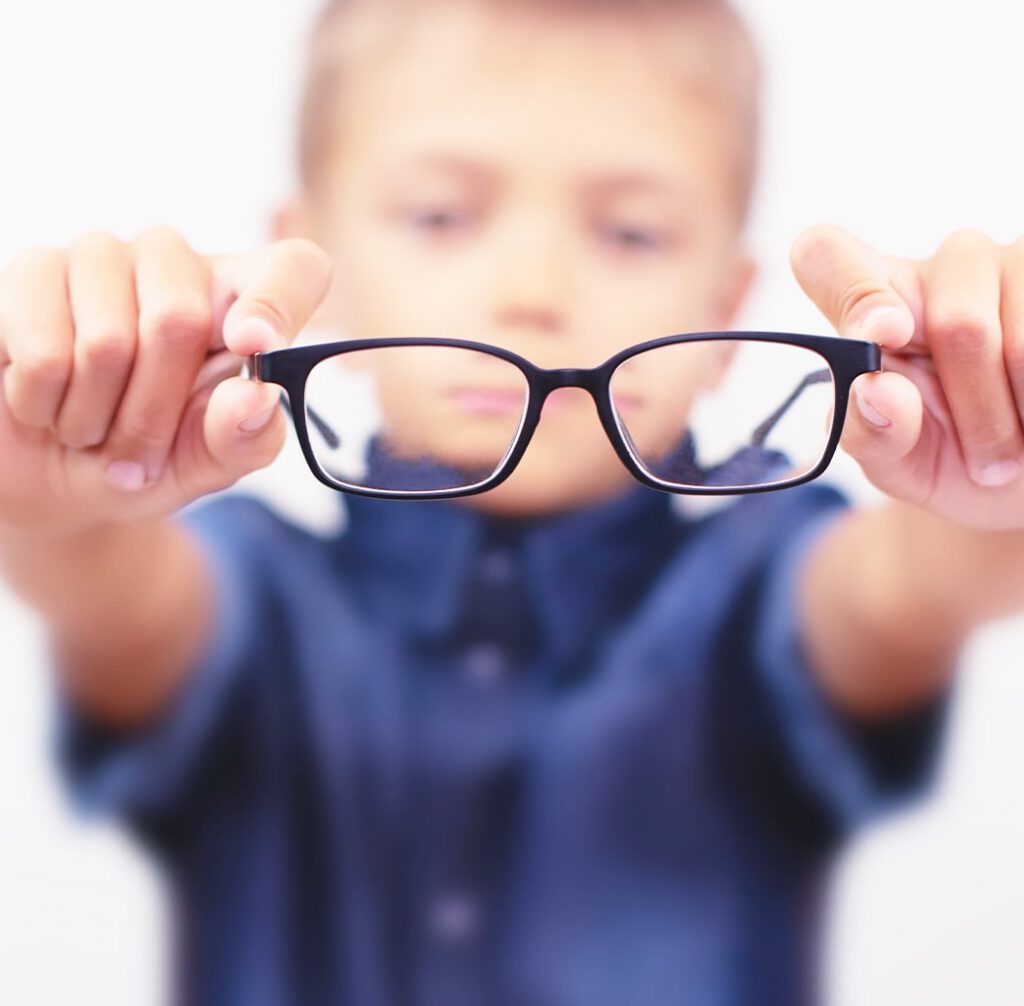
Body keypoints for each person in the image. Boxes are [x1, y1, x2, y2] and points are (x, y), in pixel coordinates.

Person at [1, 0, 1023, 1002]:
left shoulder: (766, 583)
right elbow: (113, 584)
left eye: (629, 233)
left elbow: (907, 589)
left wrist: (993, 467)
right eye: (442, 215)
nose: (533, 289)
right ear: (311, 272)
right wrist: (54, 481)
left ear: (722, 312)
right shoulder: (247, 591)